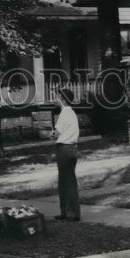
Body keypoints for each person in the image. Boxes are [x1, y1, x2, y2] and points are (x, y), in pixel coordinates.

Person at [52, 88, 80, 221]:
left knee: (67, 182)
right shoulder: (72, 113)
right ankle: (65, 212)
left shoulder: (64, 113)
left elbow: (56, 133)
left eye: (57, 97)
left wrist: (50, 134)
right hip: (71, 149)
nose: (55, 99)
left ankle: (72, 213)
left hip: (65, 149)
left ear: (63, 99)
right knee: (65, 181)